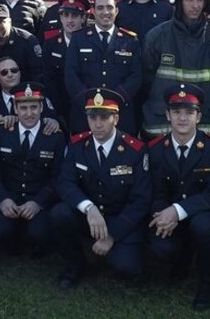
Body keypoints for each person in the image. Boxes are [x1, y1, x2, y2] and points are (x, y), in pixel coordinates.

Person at [50, 88, 151, 289]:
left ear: (116, 118)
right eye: (92, 117)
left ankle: (117, 249)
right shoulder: (78, 145)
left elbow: (141, 200)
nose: (97, 124)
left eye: (104, 117)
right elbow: (65, 182)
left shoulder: (135, 150)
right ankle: (74, 264)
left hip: (120, 219)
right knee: (59, 213)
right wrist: (88, 207)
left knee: (126, 267)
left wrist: (112, 234)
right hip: (90, 217)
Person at [147, 84, 210, 311]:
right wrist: (162, 215)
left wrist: (177, 211)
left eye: (189, 112)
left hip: (209, 215)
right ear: (168, 115)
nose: (182, 118)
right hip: (172, 216)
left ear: (199, 117)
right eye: (176, 112)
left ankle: (208, 284)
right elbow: (156, 191)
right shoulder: (156, 149)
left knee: (202, 226)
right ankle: (181, 259)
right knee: (160, 247)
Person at [142, 0, 210, 140]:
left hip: (208, 121)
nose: (195, 5)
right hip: (163, 122)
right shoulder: (156, 37)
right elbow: (147, 79)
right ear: (179, 1)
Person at [0, 82, 65, 255]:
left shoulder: (55, 136)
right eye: (24, 108)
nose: (29, 113)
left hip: (37, 198)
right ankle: (13, 235)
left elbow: (58, 176)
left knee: (39, 235)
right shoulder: (2, 131)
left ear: (41, 107)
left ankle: (31, 237)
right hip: (9, 196)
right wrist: (2, 199)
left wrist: (38, 202)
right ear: (15, 108)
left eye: (33, 107)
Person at [65, 0, 142, 134]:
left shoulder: (130, 40)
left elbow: (136, 75)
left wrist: (116, 99)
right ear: (93, 11)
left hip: (119, 114)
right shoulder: (78, 39)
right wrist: (88, 101)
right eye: (100, 8)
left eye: (109, 7)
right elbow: (70, 74)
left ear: (116, 11)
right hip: (86, 114)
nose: (105, 12)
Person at [42, 0, 92, 125]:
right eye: (65, 15)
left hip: (86, 106)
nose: (69, 20)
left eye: (74, 15)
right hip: (58, 107)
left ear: (83, 18)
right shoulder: (51, 43)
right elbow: (48, 79)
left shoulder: (91, 41)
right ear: (60, 17)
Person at [0, 3, 43, 82]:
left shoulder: (27, 41)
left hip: (24, 86)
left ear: (9, 22)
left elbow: (37, 73)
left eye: (0, 22)